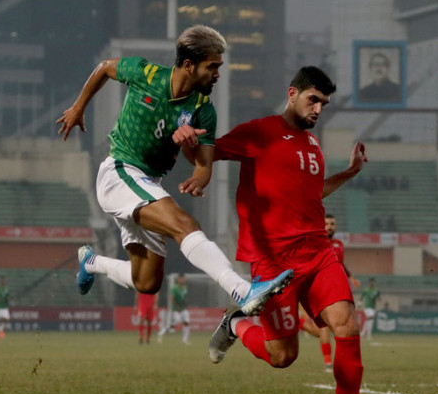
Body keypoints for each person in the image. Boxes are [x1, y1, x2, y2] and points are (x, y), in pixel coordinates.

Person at [56, 25, 292, 316]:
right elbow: (105, 68)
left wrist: (193, 160)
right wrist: (78, 107)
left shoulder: (204, 109)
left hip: (146, 183)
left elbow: (203, 166)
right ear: (189, 65)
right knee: (186, 225)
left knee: (147, 281)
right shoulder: (147, 74)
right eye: (212, 66)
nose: (217, 74)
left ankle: (92, 263)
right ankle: (243, 290)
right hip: (119, 172)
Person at [208, 66, 382, 394]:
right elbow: (209, 151)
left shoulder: (313, 145)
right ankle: (236, 323)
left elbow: (313, 194)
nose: (318, 109)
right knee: (282, 356)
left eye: (324, 103)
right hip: (274, 263)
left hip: (318, 252)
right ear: (292, 93)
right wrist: (189, 139)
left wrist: (350, 172)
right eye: (313, 99)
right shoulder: (260, 132)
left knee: (347, 326)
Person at [300, 214, 361, 372]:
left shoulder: (339, 244)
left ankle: (298, 324)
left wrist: (351, 277)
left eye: (332, 223)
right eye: (326, 223)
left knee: (332, 327)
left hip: (337, 287)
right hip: (319, 288)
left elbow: (340, 263)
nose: (329, 226)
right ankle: (329, 363)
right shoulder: (317, 242)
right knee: (325, 328)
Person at [167, 273, 191, 344]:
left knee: (186, 322)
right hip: (176, 309)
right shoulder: (175, 287)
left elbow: (184, 297)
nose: (182, 280)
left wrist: (185, 303)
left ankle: (185, 339)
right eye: (181, 278)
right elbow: (172, 298)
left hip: (183, 308)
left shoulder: (185, 287)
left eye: (183, 279)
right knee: (177, 321)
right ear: (178, 279)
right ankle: (168, 328)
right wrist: (176, 307)